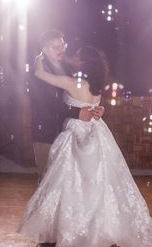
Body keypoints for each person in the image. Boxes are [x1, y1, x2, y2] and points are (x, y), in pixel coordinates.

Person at [19, 46, 152, 247]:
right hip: (97, 129)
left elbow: (39, 74)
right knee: (99, 183)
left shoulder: (71, 83)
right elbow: (91, 106)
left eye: (78, 56)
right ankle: (100, 228)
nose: (74, 57)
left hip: (76, 132)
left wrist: (39, 56)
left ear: (83, 63)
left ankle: (74, 231)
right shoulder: (97, 86)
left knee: (71, 182)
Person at [28, 29, 103, 180]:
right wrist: (78, 112)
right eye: (56, 47)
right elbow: (48, 104)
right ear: (44, 49)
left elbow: (84, 92)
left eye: (63, 46)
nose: (62, 50)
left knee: (70, 181)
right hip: (48, 132)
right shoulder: (39, 71)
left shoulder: (68, 68)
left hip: (70, 131)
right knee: (48, 180)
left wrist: (97, 108)